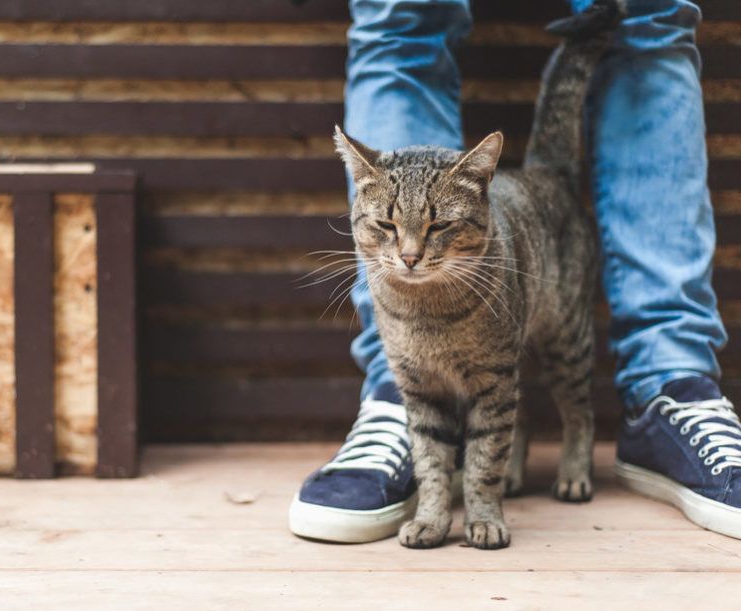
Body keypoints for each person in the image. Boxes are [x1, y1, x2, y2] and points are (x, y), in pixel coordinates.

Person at [288, 0, 741, 543]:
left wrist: (484, 501)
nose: (408, 253)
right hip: (427, 304)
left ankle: (664, 387)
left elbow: (498, 389)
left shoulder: (488, 264)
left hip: (542, 241)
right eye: (386, 229)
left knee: (650, 13)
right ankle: (394, 407)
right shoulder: (386, 228)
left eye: (434, 230)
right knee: (398, 13)